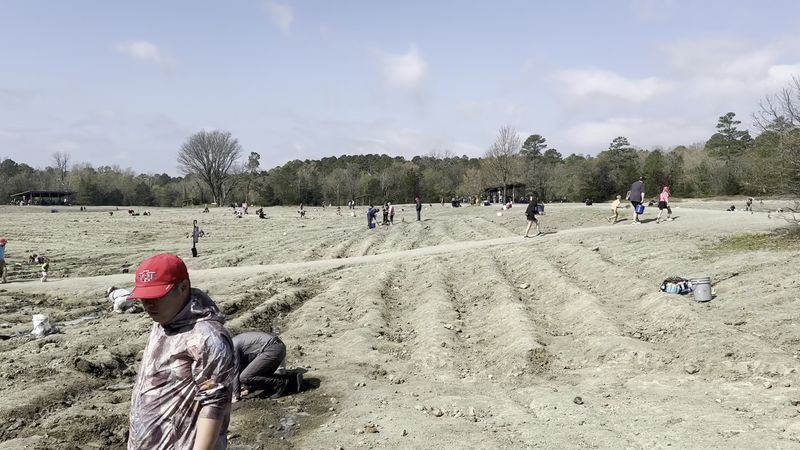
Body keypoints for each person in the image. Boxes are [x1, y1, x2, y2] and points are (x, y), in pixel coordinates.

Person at [127, 253, 236, 450]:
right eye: (144, 297)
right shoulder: (163, 320)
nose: (148, 305)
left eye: (157, 296)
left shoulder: (207, 337)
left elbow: (215, 405)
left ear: (183, 287)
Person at [231, 331, 302, 402]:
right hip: (277, 346)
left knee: (245, 377)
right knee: (256, 381)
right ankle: (293, 379)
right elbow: (244, 366)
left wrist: (236, 395)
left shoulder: (232, 346)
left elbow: (235, 371)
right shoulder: (234, 342)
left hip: (272, 349)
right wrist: (247, 387)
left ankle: (282, 382)